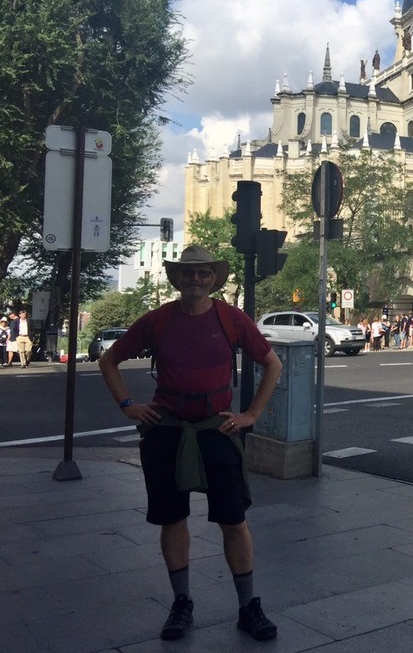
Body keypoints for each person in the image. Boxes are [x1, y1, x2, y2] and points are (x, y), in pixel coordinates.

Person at [98, 245, 283, 642]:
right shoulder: (157, 321)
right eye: (187, 273)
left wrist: (250, 414)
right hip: (167, 428)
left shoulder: (231, 319)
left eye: (202, 273)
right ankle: (182, 603)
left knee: (233, 519)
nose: (195, 279)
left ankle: (248, 606)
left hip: (218, 429)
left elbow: (272, 363)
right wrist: (128, 405)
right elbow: (108, 360)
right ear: (176, 278)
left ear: (214, 278)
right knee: (171, 517)